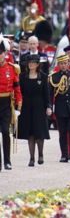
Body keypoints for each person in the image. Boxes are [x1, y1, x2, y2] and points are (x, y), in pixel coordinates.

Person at [49, 54, 70, 163]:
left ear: (68, 64)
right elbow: (50, 95)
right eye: (61, 64)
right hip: (60, 108)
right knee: (62, 132)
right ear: (58, 64)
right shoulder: (54, 77)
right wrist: (50, 106)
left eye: (65, 63)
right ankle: (64, 155)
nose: (63, 65)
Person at [18, 54, 51, 166]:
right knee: (30, 132)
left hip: (39, 106)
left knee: (39, 132)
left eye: (33, 62)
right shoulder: (22, 76)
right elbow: (19, 92)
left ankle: (40, 154)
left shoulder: (43, 76)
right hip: (26, 107)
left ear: (37, 64)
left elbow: (46, 94)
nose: (31, 64)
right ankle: (31, 158)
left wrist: (48, 106)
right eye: (29, 62)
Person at [0, 42, 21, 170]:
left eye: (1, 53)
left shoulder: (12, 68)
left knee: (5, 131)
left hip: (7, 103)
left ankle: (7, 161)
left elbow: (17, 89)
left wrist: (19, 107)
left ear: (5, 54)